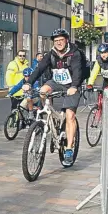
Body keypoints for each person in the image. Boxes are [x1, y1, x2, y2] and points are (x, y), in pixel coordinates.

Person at [23, 28, 83, 166]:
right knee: (43, 91)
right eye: (56, 41)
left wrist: (74, 86)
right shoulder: (51, 54)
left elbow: (78, 72)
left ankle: (68, 150)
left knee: (70, 115)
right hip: (56, 83)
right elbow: (39, 69)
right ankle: (49, 115)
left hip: (71, 85)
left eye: (61, 40)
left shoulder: (75, 54)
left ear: (66, 40)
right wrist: (28, 83)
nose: (59, 43)